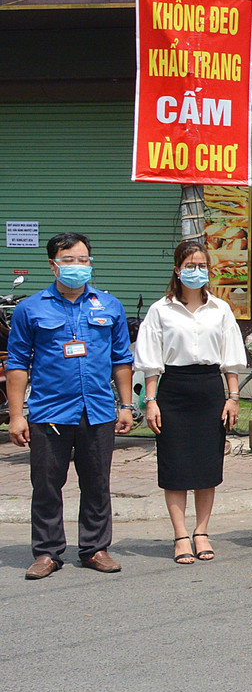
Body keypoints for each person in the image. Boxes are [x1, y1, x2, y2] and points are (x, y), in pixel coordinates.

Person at [5, 232, 134, 579]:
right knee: (46, 485)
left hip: (98, 409)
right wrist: (17, 415)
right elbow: (17, 364)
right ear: (53, 265)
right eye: (68, 260)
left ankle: (95, 548)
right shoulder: (30, 309)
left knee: (96, 482)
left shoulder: (109, 306)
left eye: (83, 260)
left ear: (91, 263)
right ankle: (47, 552)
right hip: (49, 411)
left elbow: (121, 360)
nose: (77, 266)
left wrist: (126, 405)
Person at [134, 240, 247, 564]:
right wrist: (151, 402)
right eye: (190, 265)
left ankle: (201, 532)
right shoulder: (160, 310)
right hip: (173, 391)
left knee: (207, 467)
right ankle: (181, 535)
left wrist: (233, 398)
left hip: (210, 390)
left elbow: (231, 359)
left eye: (201, 266)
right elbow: (152, 361)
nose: (196, 272)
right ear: (177, 269)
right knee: (175, 467)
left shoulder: (221, 309)